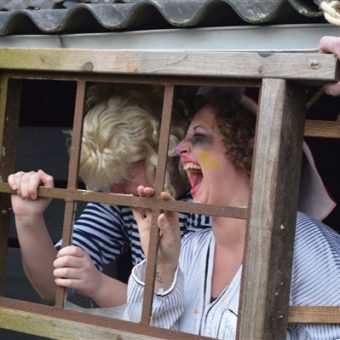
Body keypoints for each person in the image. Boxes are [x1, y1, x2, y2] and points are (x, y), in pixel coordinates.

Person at [127, 87, 340, 339]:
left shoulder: (309, 248)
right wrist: (162, 267)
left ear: (249, 148)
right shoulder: (189, 249)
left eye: (199, 136)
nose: (179, 148)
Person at [8, 84, 211, 307]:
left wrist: (99, 285)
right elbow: (52, 286)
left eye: (125, 176)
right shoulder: (121, 202)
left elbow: (190, 315)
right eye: (109, 182)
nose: (115, 191)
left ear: (163, 151)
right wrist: (28, 219)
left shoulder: (209, 202)